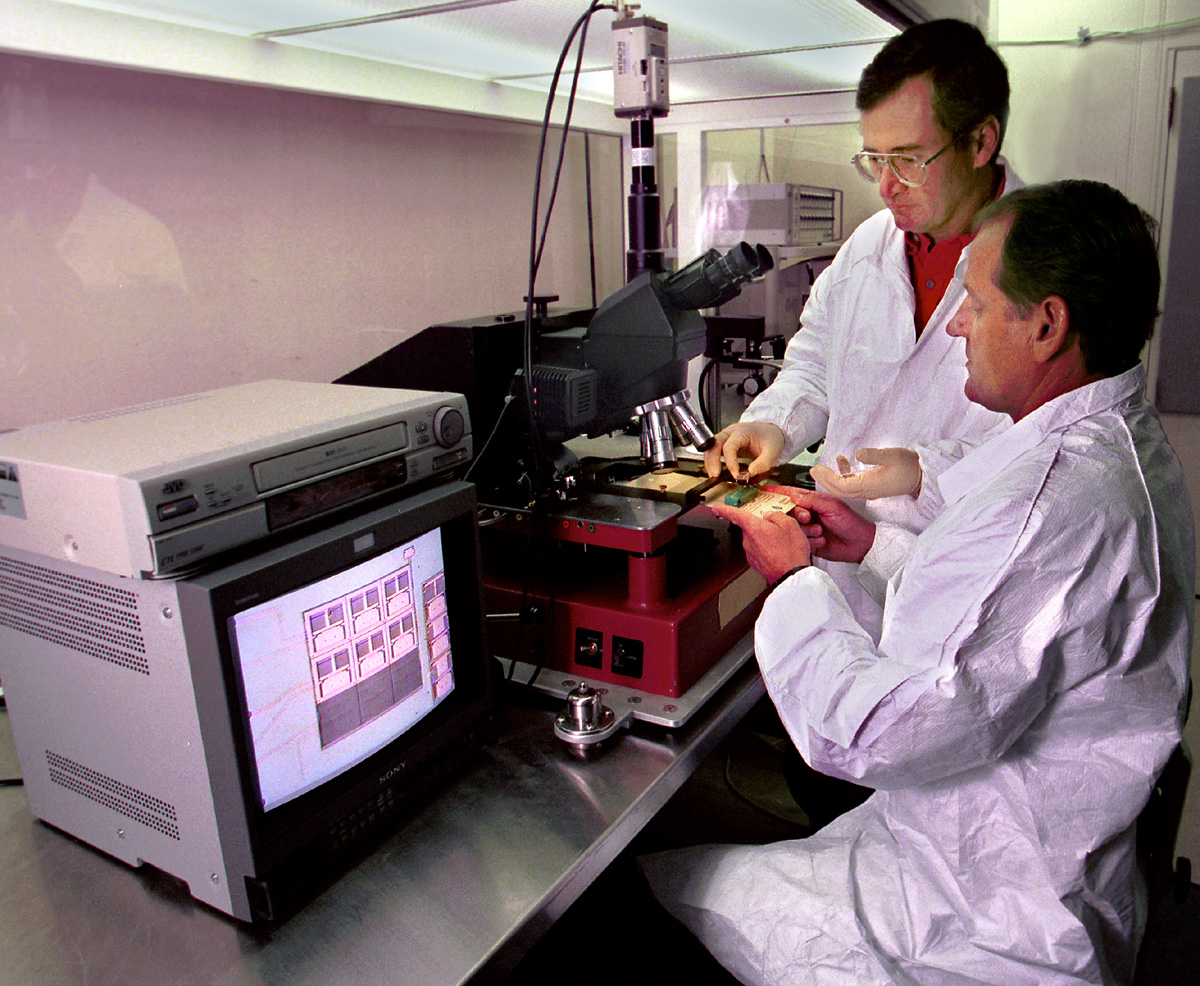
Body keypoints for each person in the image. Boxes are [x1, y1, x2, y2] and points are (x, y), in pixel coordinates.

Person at [641, 180, 1195, 984]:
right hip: (1007, 855)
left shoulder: (1045, 505)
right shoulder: (1110, 444)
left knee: (657, 891)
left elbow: (871, 734)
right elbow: (1005, 620)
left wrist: (796, 580)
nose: (958, 325)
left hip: (980, 922)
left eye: (973, 302)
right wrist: (866, 545)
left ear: (1047, 325)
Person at [705, 19, 1020, 640]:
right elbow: (816, 363)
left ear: (981, 141)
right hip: (842, 577)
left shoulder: (1039, 264)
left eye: (906, 159)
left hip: (968, 598)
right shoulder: (868, 248)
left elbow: (1037, 460)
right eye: (874, 158)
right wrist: (777, 424)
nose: (884, 185)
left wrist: (920, 475)